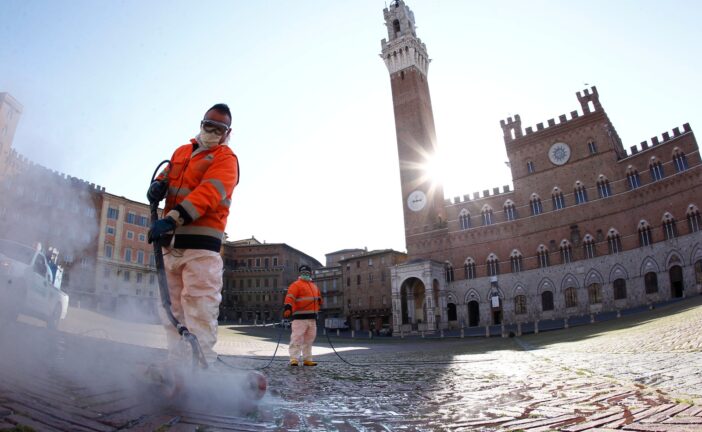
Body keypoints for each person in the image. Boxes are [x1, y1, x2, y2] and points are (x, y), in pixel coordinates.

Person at [147, 103, 239, 366]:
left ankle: (202, 373)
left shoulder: (226, 159)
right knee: (171, 311)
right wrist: (158, 185)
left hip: (201, 248)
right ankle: (177, 368)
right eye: (207, 124)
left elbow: (208, 193)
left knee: (199, 310)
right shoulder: (181, 152)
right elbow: (168, 176)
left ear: (227, 132)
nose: (210, 130)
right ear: (201, 123)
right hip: (170, 244)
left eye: (217, 128)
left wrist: (172, 219)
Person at [283, 265, 322, 366]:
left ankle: (307, 359)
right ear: (300, 274)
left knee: (309, 340)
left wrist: (319, 301)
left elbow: (319, 298)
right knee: (297, 338)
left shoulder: (314, 286)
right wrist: (288, 307)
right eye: (304, 273)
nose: (306, 275)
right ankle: (294, 359)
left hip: (312, 318)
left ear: (310, 274)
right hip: (299, 318)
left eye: (307, 273)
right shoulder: (295, 285)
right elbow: (290, 296)